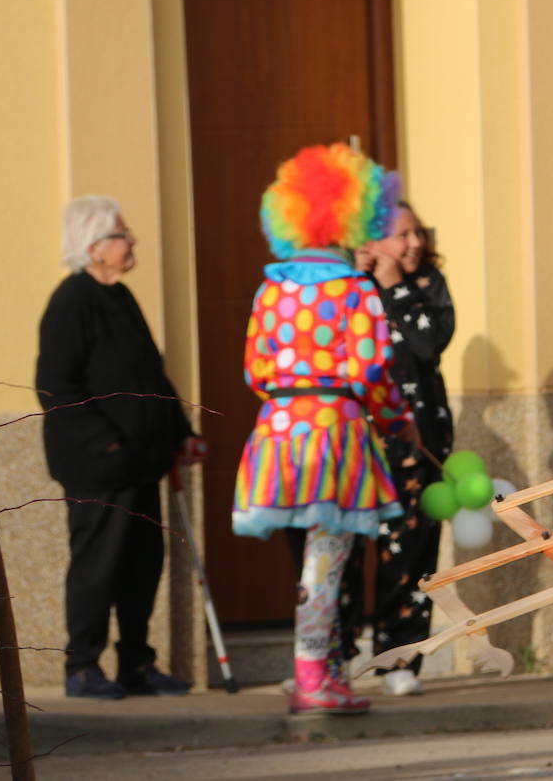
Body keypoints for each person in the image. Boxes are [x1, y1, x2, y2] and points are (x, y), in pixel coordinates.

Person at [233, 143, 417, 715]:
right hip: (335, 433)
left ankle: (320, 671)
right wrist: (397, 421)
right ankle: (314, 676)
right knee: (329, 556)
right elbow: (371, 371)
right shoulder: (355, 290)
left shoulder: (272, 290)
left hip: (278, 432)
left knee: (312, 557)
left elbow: (255, 371)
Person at [37, 196, 202, 699]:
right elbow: (55, 386)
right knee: (97, 564)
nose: (132, 242)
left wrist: (182, 431)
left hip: (141, 464)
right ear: (93, 246)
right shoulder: (72, 301)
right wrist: (106, 442)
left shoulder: (122, 297)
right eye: (122, 234)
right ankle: (82, 665)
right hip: (99, 467)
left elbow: (152, 374)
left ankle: (136, 662)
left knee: (141, 565)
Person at [344, 200, 455, 697]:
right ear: (371, 243)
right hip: (355, 439)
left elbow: (430, 343)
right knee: (344, 549)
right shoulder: (348, 286)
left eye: (418, 233)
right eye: (402, 235)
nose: (414, 243)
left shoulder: (427, 285)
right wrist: (356, 278)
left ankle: (401, 658)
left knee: (411, 550)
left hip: (419, 441)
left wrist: (395, 286)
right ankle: (335, 656)